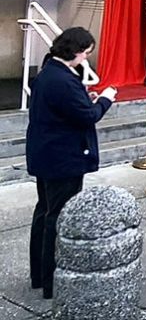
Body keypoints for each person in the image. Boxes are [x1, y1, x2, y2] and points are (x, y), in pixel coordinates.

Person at [26, 27, 117, 299]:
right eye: (86, 53)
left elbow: (68, 107)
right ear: (76, 51)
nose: (86, 58)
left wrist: (83, 99)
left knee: (44, 211)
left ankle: (40, 275)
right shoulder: (62, 79)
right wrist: (105, 100)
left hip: (45, 152)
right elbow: (87, 116)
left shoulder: (49, 72)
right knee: (58, 216)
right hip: (62, 157)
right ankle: (53, 280)